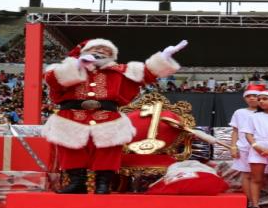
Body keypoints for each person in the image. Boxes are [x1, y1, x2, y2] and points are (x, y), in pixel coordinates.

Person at [43, 38, 185, 195]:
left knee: (107, 152)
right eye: (96, 50)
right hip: (71, 116)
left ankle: (103, 184)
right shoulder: (65, 68)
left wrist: (163, 57)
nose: (101, 52)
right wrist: (77, 65)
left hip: (107, 117)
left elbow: (147, 72)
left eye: (106, 51)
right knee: (72, 151)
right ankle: (77, 183)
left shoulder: (121, 71)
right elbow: (52, 81)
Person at [228, 83, 264, 208]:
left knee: (259, 176)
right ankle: (249, 202)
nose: (252, 98)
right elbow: (235, 131)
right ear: (245, 98)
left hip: (262, 149)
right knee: (246, 175)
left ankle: (258, 201)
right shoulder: (239, 112)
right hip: (243, 147)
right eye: (249, 96)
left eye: (255, 96)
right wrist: (233, 147)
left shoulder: (267, 113)